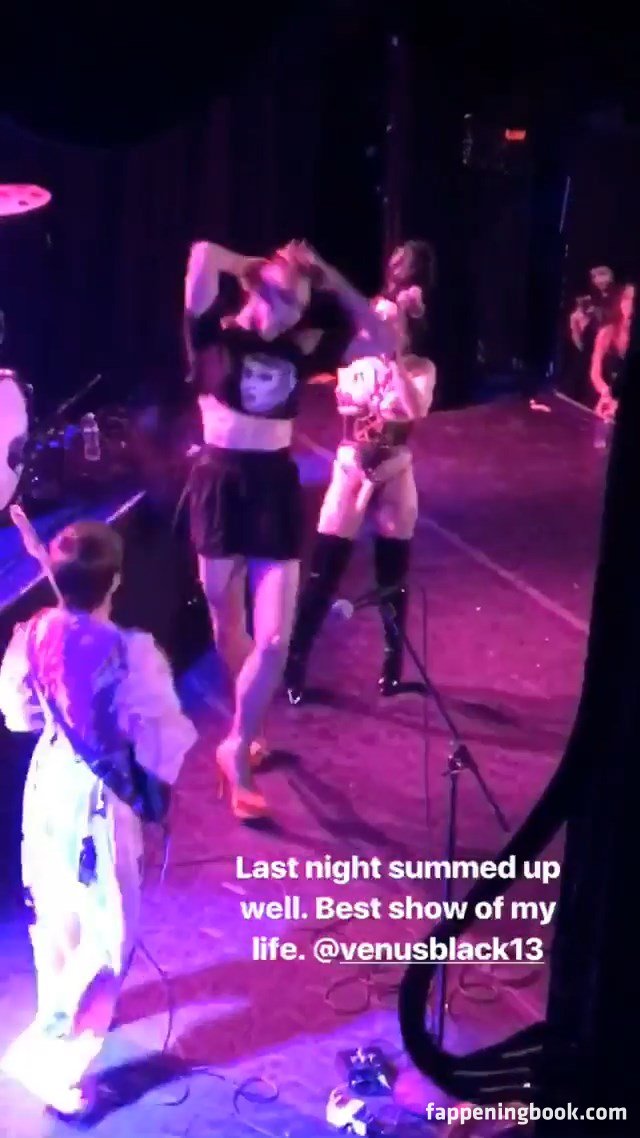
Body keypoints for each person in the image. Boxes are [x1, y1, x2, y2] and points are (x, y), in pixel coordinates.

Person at [0, 520, 196, 1117]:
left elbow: (16, 715)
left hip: (49, 782)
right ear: (115, 580)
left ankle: (66, 1015)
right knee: (109, 930)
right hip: (96, 803)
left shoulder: (33, 633)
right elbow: (158, 738)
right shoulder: (132, 653)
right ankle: (59, 1061)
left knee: (57, 913)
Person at [184, 240, 354, 821]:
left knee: (274, 638)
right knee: (226, 623)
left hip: (274, 488)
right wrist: (252, 267)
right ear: (258, 288)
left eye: (299, 305)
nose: (292, 313)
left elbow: (378, 332)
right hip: (219, 483)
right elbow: (202, 254)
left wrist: (324, 272)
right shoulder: (214, 338)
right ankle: (249, 721)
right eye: (284, 299)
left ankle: (236, 747)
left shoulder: (298, 348)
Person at [284, 240, 437, 704]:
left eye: (391, 322)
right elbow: (351, 405)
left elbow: (414, 408)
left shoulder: (420, 368)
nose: (381, 327)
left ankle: (392, 667)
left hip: (395, 468)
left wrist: (394, 363)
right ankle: (295, 664)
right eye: (377, 322)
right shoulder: (355, 360)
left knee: (393, 574)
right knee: (324, 569)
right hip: (352, 466)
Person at [590, 283, 635, 446]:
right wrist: (606, 393)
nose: (630, 304)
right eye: (627, 299)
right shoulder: (606, 333)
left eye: (634, 300)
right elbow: (595, 372)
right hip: (606, 402)